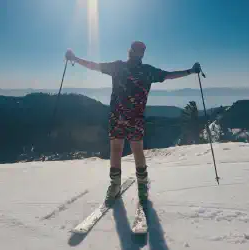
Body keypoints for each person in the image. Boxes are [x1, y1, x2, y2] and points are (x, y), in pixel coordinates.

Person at [65, 41, 201, 203]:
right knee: (137, 150)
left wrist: (75, 58)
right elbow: (169, 75)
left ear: (130, 51)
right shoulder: (147, 71)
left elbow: (94, 66)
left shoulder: (117, 67)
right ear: (141, 54)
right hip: (135, 118)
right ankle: (142, 187)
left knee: (117, 150)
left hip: (117, 117)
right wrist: (190, 71)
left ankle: (115, 186)